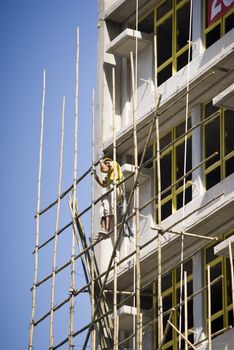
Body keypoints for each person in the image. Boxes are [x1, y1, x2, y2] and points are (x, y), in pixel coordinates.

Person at [92, 156, 124, 237]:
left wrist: (100, 161)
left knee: (109, 207)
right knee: (103, 210)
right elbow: (103, 184)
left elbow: (104, 169)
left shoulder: (113, 164)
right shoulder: (109, 175)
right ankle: (104, 229)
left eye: (105, 164)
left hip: (116, 187)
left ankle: (108, 228)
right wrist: (96, 176)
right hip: (110, 188)